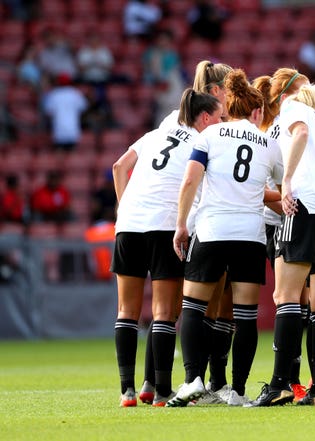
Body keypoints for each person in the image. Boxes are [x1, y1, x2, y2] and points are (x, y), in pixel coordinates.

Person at [167, 69, 284, 407]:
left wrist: (181, 225)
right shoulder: (269, 143)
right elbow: (282, 185)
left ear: (229, 106)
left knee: (193, 307)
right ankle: (238, 390)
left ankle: (192, 381)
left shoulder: (211, 136)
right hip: (250, 235)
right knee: (245, 316)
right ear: (257, 111)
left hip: (213, 230)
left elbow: (190, 182)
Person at [111, 88, 222, 408]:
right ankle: (161, 392)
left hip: (130, 225)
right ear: (204, 118)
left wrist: (124, 207)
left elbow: (119, 167)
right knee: (163, 313)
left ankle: (127, 392)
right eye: (218, 117)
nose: (221, 122)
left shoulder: (153, 134)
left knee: (126, 312)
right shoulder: (202, 143)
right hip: (166, 226)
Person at [245, 85, 315, 407]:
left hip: (307, 206)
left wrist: (288, 180)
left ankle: (280, 384)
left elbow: (300, 133)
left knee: (286, 296)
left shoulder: (295, 109)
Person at [137, 60, 233, 406]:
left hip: (160, 217)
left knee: (169, 308)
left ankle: (152, 381)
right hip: (197, 223)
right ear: (215, 93)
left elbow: (129, 164)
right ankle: (203, 382)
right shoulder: (210, 129)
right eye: (229, 90)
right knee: (203, 307)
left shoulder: (170, 121)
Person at [41, 73, 88, 152]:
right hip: (72, 130)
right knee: (72, 155)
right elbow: (84, 108)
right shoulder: (75, 93)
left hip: (59, 130)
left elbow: (48, 112)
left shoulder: (54, 94)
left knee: (60, 155)